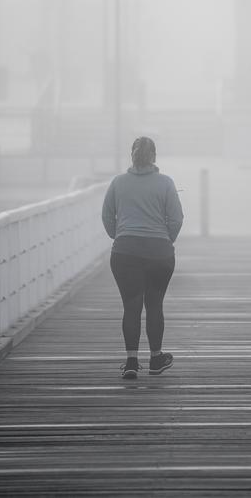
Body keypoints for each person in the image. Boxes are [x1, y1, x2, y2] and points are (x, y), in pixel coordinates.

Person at [102, 136, 183, 379]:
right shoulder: (166, 183)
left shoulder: (118, 183)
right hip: (160, 254)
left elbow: (107, 217)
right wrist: (165, 240)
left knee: (131, 306)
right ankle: (156, 359)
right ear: (154, 157)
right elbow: (177, 219)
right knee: (154, 305)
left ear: (132, 156)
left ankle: (131, 362)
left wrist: (122, 237)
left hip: (125, 253)